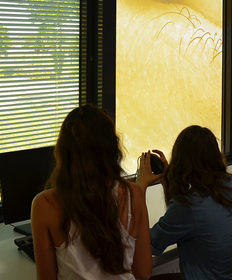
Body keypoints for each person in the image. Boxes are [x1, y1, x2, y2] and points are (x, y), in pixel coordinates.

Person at [31, 105, 153, 280]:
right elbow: (143, 272)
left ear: (63, 151)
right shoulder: (133, 194)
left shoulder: (45, 204)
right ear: (112, 148)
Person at [136, 125, 232, 280]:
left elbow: (148, 244)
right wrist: (167, 181)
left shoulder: (190, 205)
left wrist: (139, 187)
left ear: (180, 161)